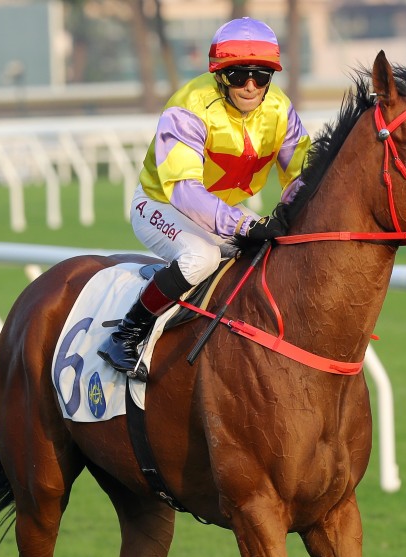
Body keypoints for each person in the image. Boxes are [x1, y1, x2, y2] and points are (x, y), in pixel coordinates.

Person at [98, 16, 311, 380]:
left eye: (260, 76)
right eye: (237, 74)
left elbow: (303, 174)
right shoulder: (188, 107)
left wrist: (289, 212)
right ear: (218, 75)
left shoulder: (279, 108)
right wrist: (245, 224)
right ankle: (126, 334)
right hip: (161, 203)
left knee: (273, 254)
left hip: (221, 209)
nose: (249, 86)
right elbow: (185, 191)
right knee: (202, 256)